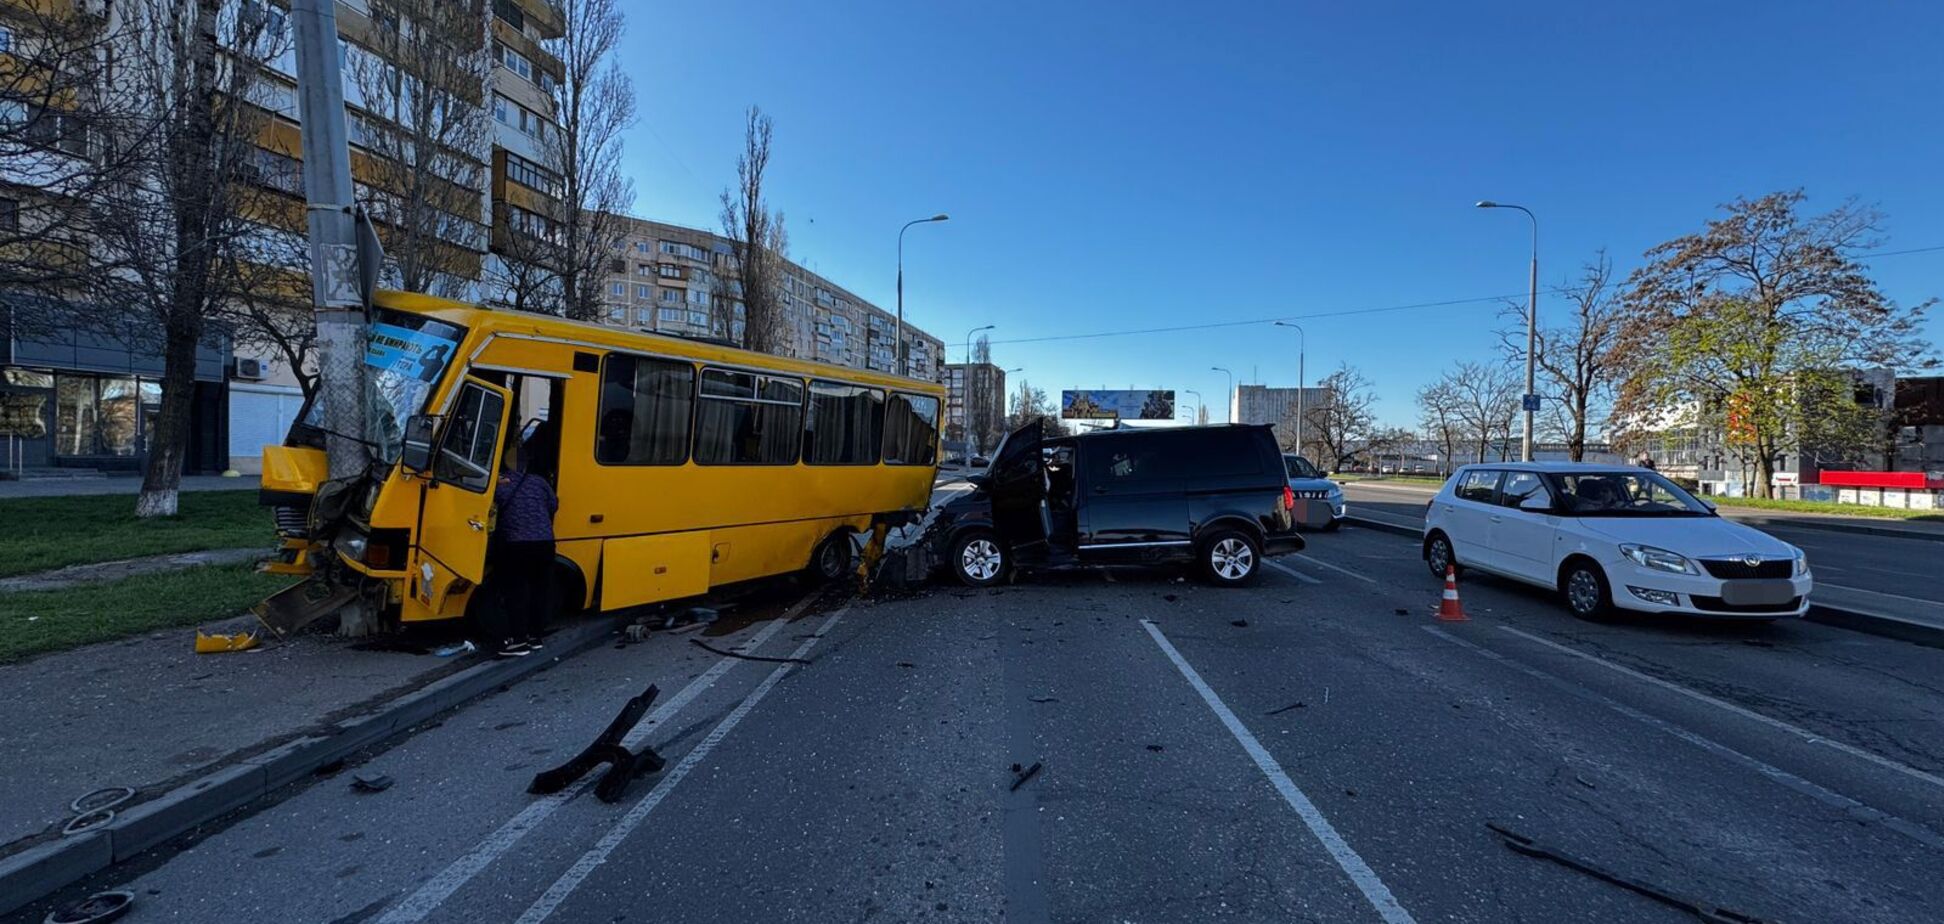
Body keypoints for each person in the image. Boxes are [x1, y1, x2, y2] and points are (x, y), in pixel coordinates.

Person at [487, 444, 559, 658]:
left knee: (516, 592)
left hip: (516, 544)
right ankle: (535, 636)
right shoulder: (540, 482)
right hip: (545, 543)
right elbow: (553, 505)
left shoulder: (500, 484)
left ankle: (518, 641)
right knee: (540, 590)